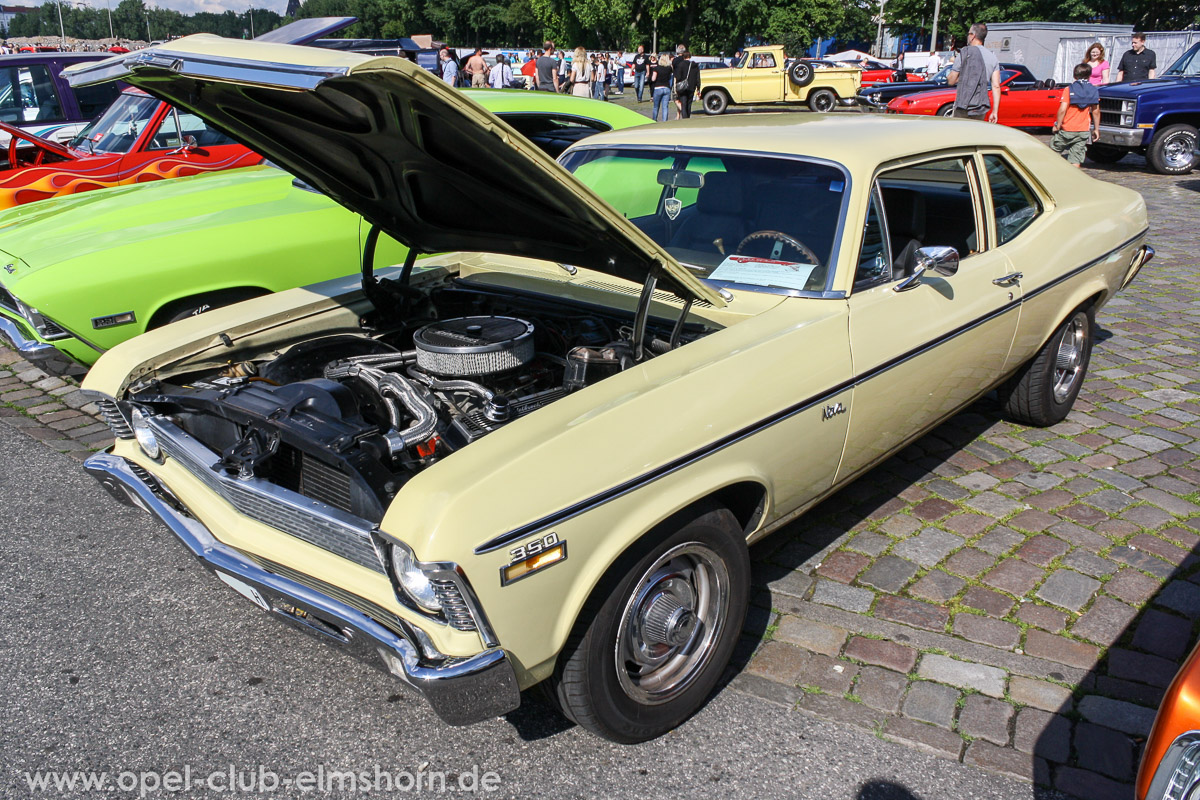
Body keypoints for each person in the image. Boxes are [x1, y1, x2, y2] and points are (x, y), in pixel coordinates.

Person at [1050, 63, 1101, 168]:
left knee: (1053, 153)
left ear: (1074, 76)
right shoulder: (1093, 90)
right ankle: (1073, 180)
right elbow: (1096, 111)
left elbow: (1062, 109)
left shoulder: (1069, 89)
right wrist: (1096, 129)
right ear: (1089, 76)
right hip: (1082, 130)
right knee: (1076, 158)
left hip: (1066, 128)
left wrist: (1058, 124)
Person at [948, 23, 1001, 122]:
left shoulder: (964, 53)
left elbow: (951, 80)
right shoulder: (993, 57)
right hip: (980, 107)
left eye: (968, 33)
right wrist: (995, 111)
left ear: (973, 36)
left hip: (962, 106)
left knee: (959, 135)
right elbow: (996, 86)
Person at [673, 49, 700, 119]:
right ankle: (688, 116)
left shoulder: (680, 65)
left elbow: (678, 77)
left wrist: (676, 86)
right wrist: (698, 88)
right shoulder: (695, 65)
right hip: (692, 86)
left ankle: (685, 118)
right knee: (689, 103)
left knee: (683, 104)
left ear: (683, 57)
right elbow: (698, 77)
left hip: (683, 87)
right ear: (690, 56)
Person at [649, 54, 673, 122]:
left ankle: (654, 120)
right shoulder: (669, 68)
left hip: (658, 88)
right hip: (666, 88)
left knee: (656, 107)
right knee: (665, 107)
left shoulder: (656, 68)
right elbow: (670, 78)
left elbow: (653, 79)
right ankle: (664, 121)